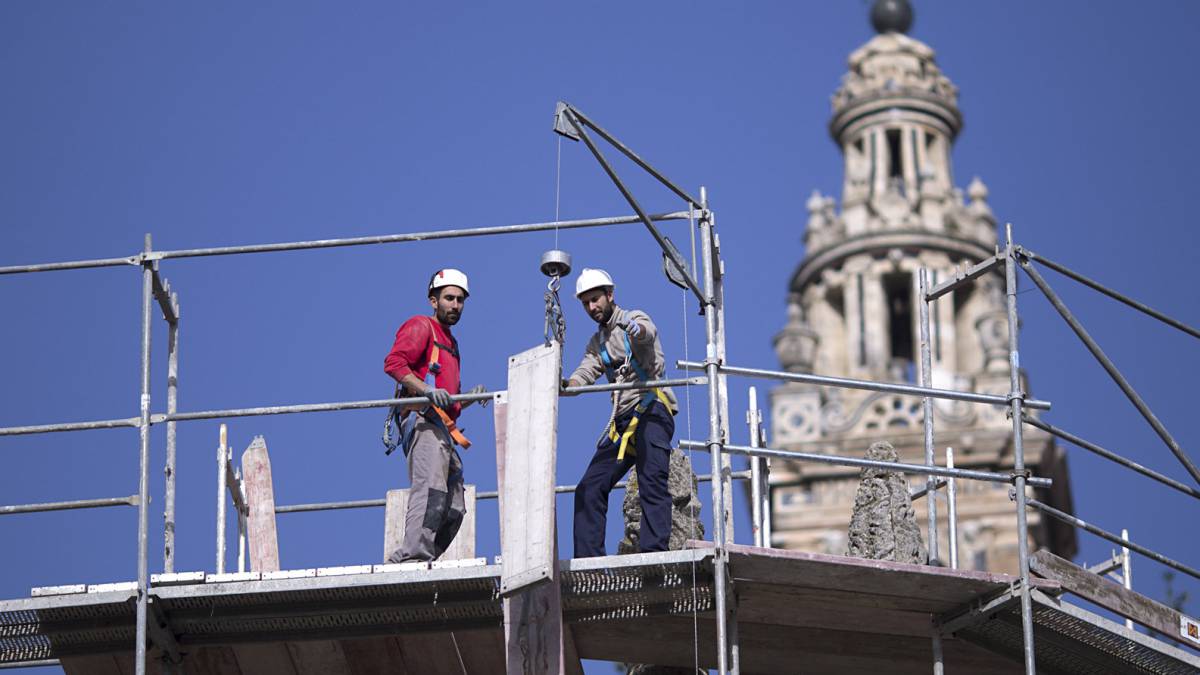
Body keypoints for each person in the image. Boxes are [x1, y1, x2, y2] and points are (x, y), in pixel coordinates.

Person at [564, 268, 678, 558]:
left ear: (610, 295)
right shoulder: (597, 343)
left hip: (651, 408)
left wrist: (631, 326)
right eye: (586, 303)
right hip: (623, 422)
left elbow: (646, 335)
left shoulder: (635, 318)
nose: (592, 307)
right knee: (589, 488)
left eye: (596, 300)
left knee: (651, 478)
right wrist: (565, 384)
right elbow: (584, 373)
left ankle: (655, 554)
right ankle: (588, 561)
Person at [383, 268, 485, 563]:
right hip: (423, 422)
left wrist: (467, 399)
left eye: (460, 300)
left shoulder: (450, 344)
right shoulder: (420, 326)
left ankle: (425, 556)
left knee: (454, 506)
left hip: (442, 427)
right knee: (430, 490)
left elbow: (448, 403)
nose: (455, 305)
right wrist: (426, 390)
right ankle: (413, 555)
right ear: (433, 301)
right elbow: (394, 364)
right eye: (449, 298)